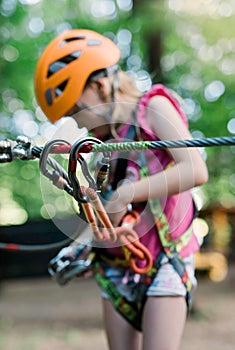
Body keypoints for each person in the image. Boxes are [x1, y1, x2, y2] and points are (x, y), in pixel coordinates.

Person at [34, 29, 208, 350]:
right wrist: (84, 242)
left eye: (75, 111)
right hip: (115, 269)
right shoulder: (104, 145)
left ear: (99, 86)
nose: (78, 124)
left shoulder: (154, 106)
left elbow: (194, 169)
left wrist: (126, 192)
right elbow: (110, 212)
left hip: (165, 262)